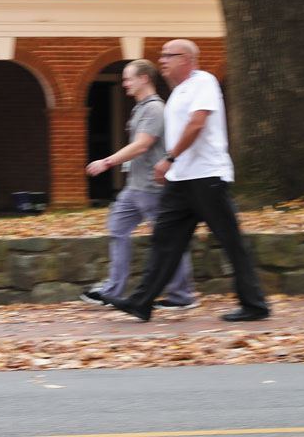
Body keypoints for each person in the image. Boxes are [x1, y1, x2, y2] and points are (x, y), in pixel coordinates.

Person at [104, 39, 269, 324]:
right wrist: (172, 166)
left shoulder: (203, 81)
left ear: (188, 59)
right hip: (181, 180)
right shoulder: (178, 92)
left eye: (169, 55)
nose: (163, 60)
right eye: (162, 56)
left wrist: (169, 158)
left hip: (207, 177)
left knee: (231, 241)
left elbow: (197, 123)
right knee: (164, 241)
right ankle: (141, 302)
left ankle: (255, 305)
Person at [80, 59, 196, 310]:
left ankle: (182, 295)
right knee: (117, 227)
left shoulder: (154, 109)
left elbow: (142, 145)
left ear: (144, 79)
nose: (124, 84)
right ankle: (113, 290)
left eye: (128, 78)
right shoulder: (141, 108)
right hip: (136, 186)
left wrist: (107, 162)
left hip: (153, 188)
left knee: (167, 239)